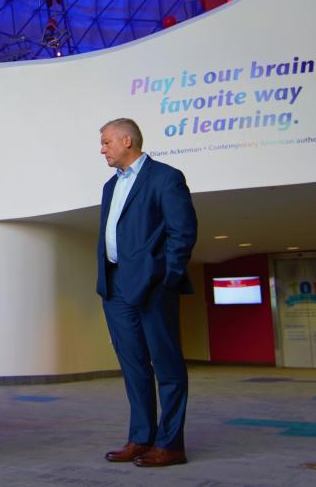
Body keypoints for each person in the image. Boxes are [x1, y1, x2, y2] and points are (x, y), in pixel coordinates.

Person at [97, 118, 197, 468]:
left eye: (107, 142)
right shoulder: (111, 186)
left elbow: (182, 232)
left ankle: (171, 445)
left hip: (153, 285)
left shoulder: (166, 177)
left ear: (127, 141)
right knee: (134, 365)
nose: (102, 149)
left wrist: (167, 278)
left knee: (167, 366)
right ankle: (141, 438)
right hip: (116, 285)